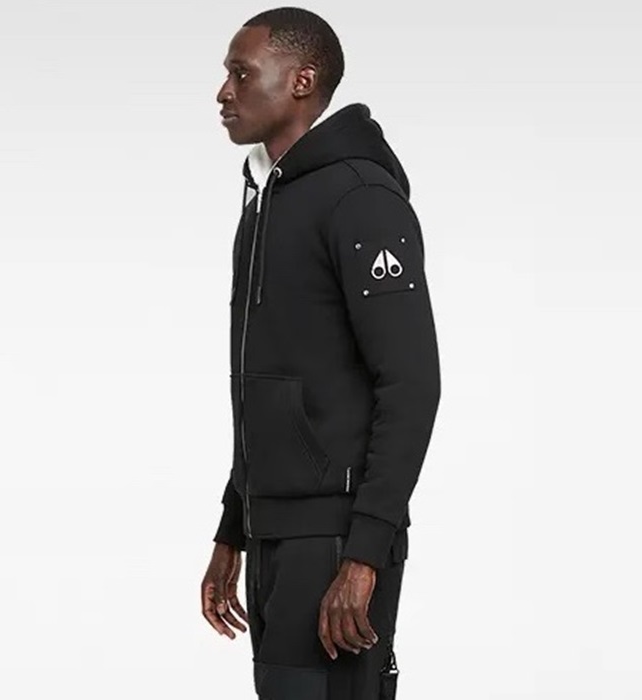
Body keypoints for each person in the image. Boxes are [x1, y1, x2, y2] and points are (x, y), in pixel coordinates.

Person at [200, 7, 441, 699]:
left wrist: (365, 553)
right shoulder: (267, 200)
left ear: (302, 80)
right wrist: (233, 526)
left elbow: (411, 383)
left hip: (336, 537)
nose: (223, 91)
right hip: (273, 529)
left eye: (241, 73)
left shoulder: (361, 200)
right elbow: (271, 382)